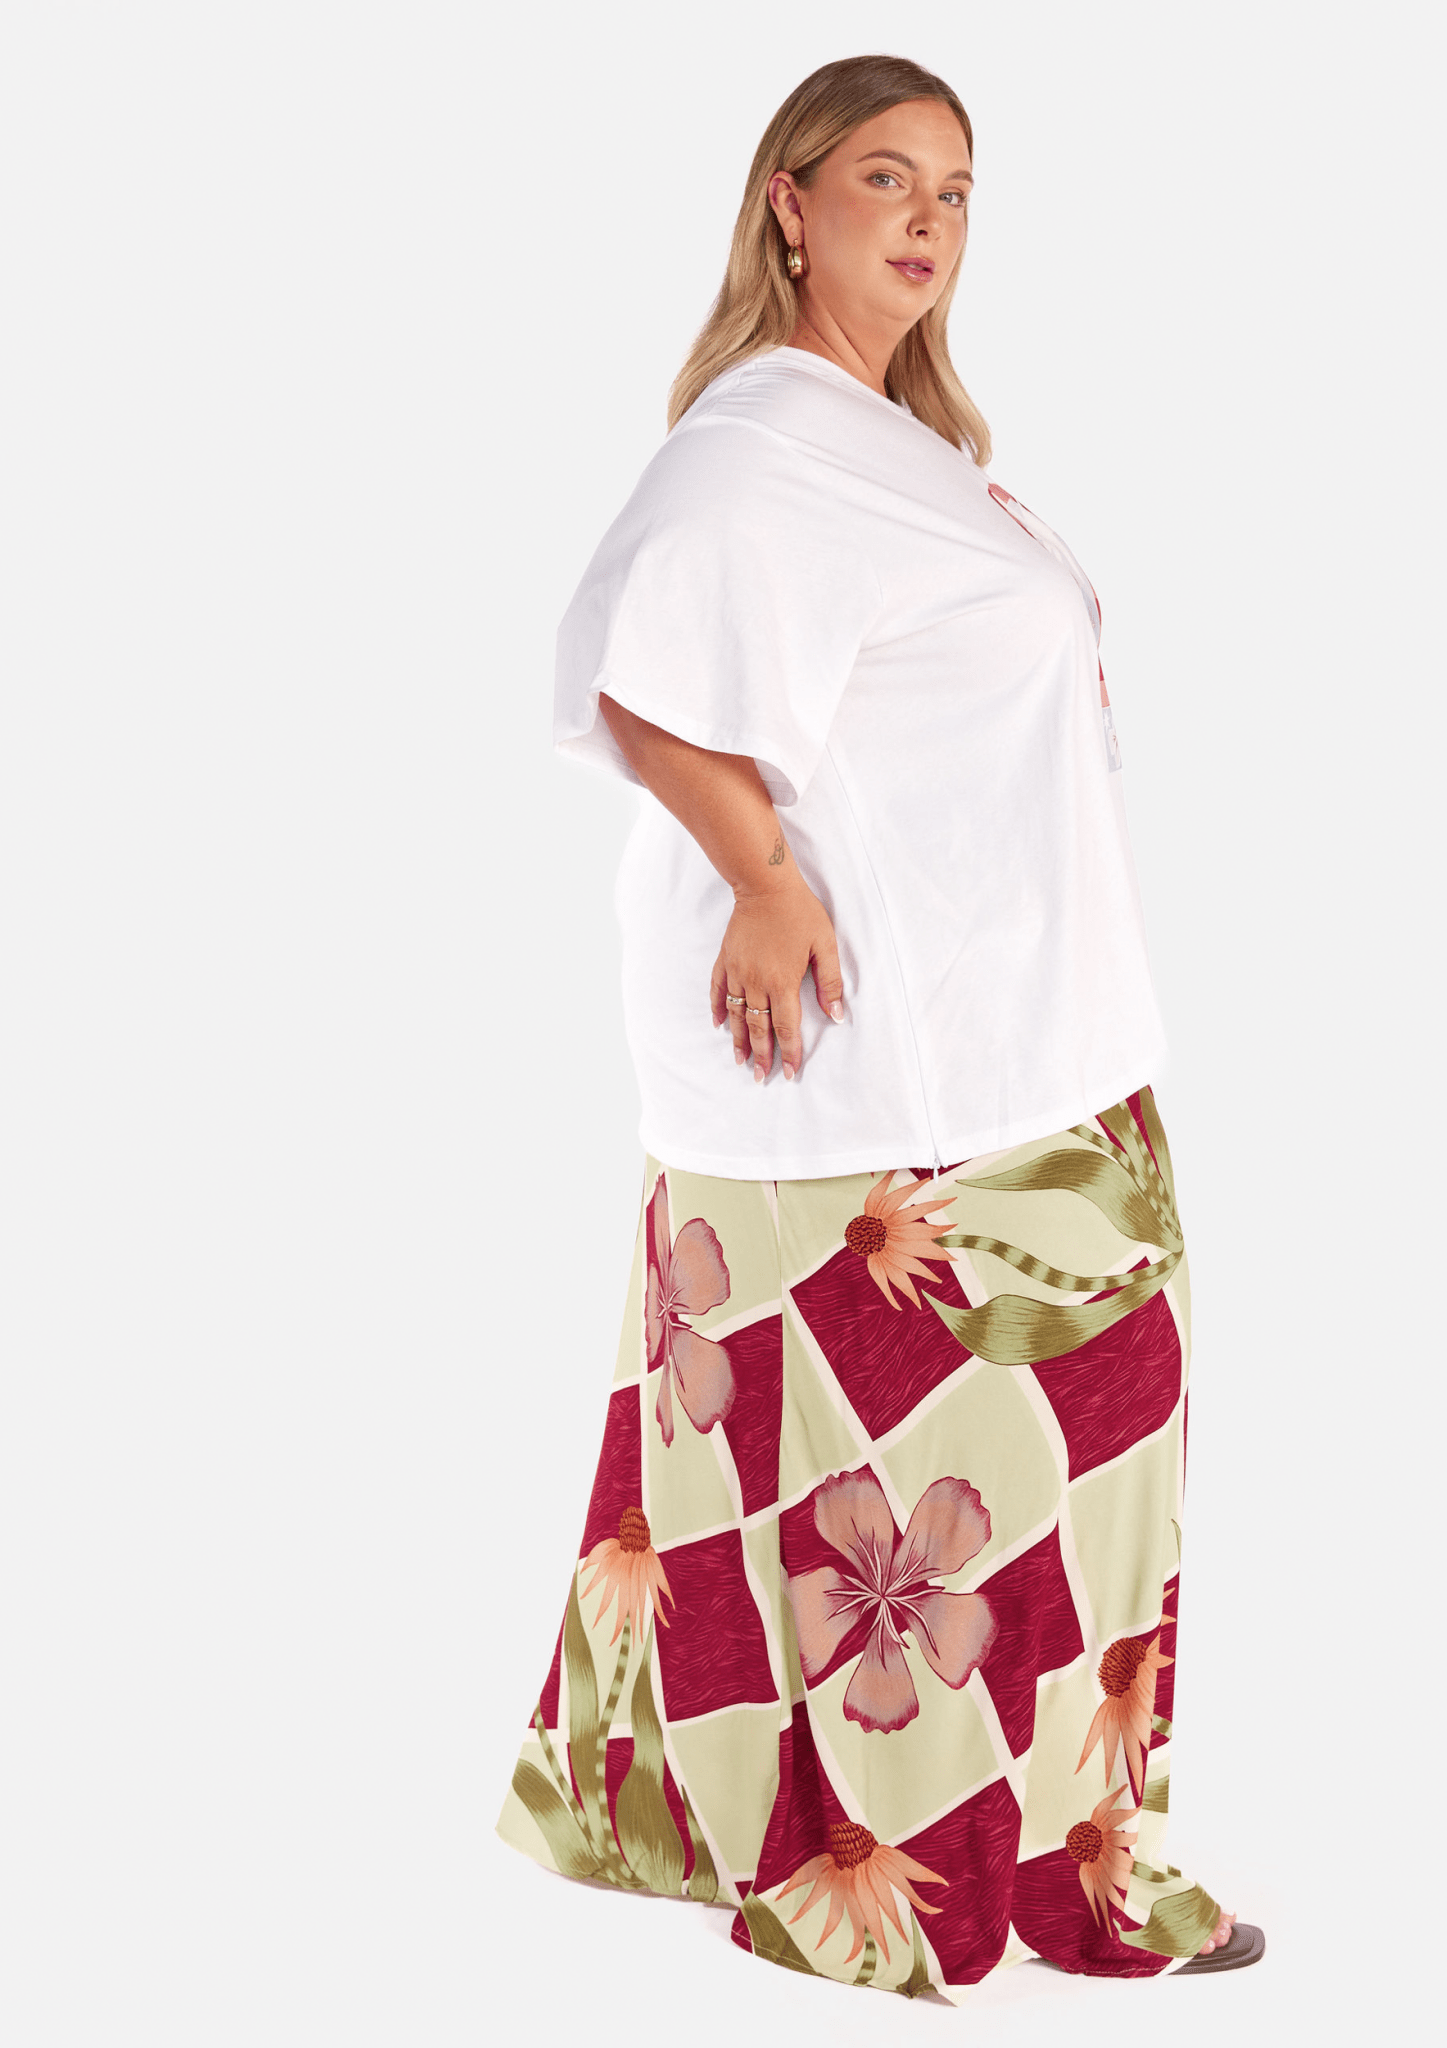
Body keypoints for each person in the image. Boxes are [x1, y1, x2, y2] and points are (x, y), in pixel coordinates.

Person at [496, 53, 1264, 1997]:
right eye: (884, 179)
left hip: (1029, 1036)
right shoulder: (763, 437)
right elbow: (630, 670)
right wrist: (764, 877)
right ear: (788, 203)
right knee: (924, 1500)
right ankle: (913, 1886)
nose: (928, 221)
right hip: (893, 1082)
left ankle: (1062, 1866)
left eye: (957, 191)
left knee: (1087, 1447)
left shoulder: (889, 437)